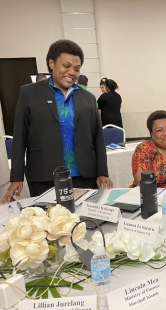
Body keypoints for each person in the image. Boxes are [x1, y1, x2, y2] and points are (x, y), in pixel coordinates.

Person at [1, 39, 113, 204]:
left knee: (84, 223)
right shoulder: (29, 93)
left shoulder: (88, 97)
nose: (72, 72)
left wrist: (102, 172)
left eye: (76, 68)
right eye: (66, 66)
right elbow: (20, 137)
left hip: (84, 175)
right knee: (48, 223)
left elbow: (97, 138)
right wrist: (16, 177)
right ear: (51, 63)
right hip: (44, 174)